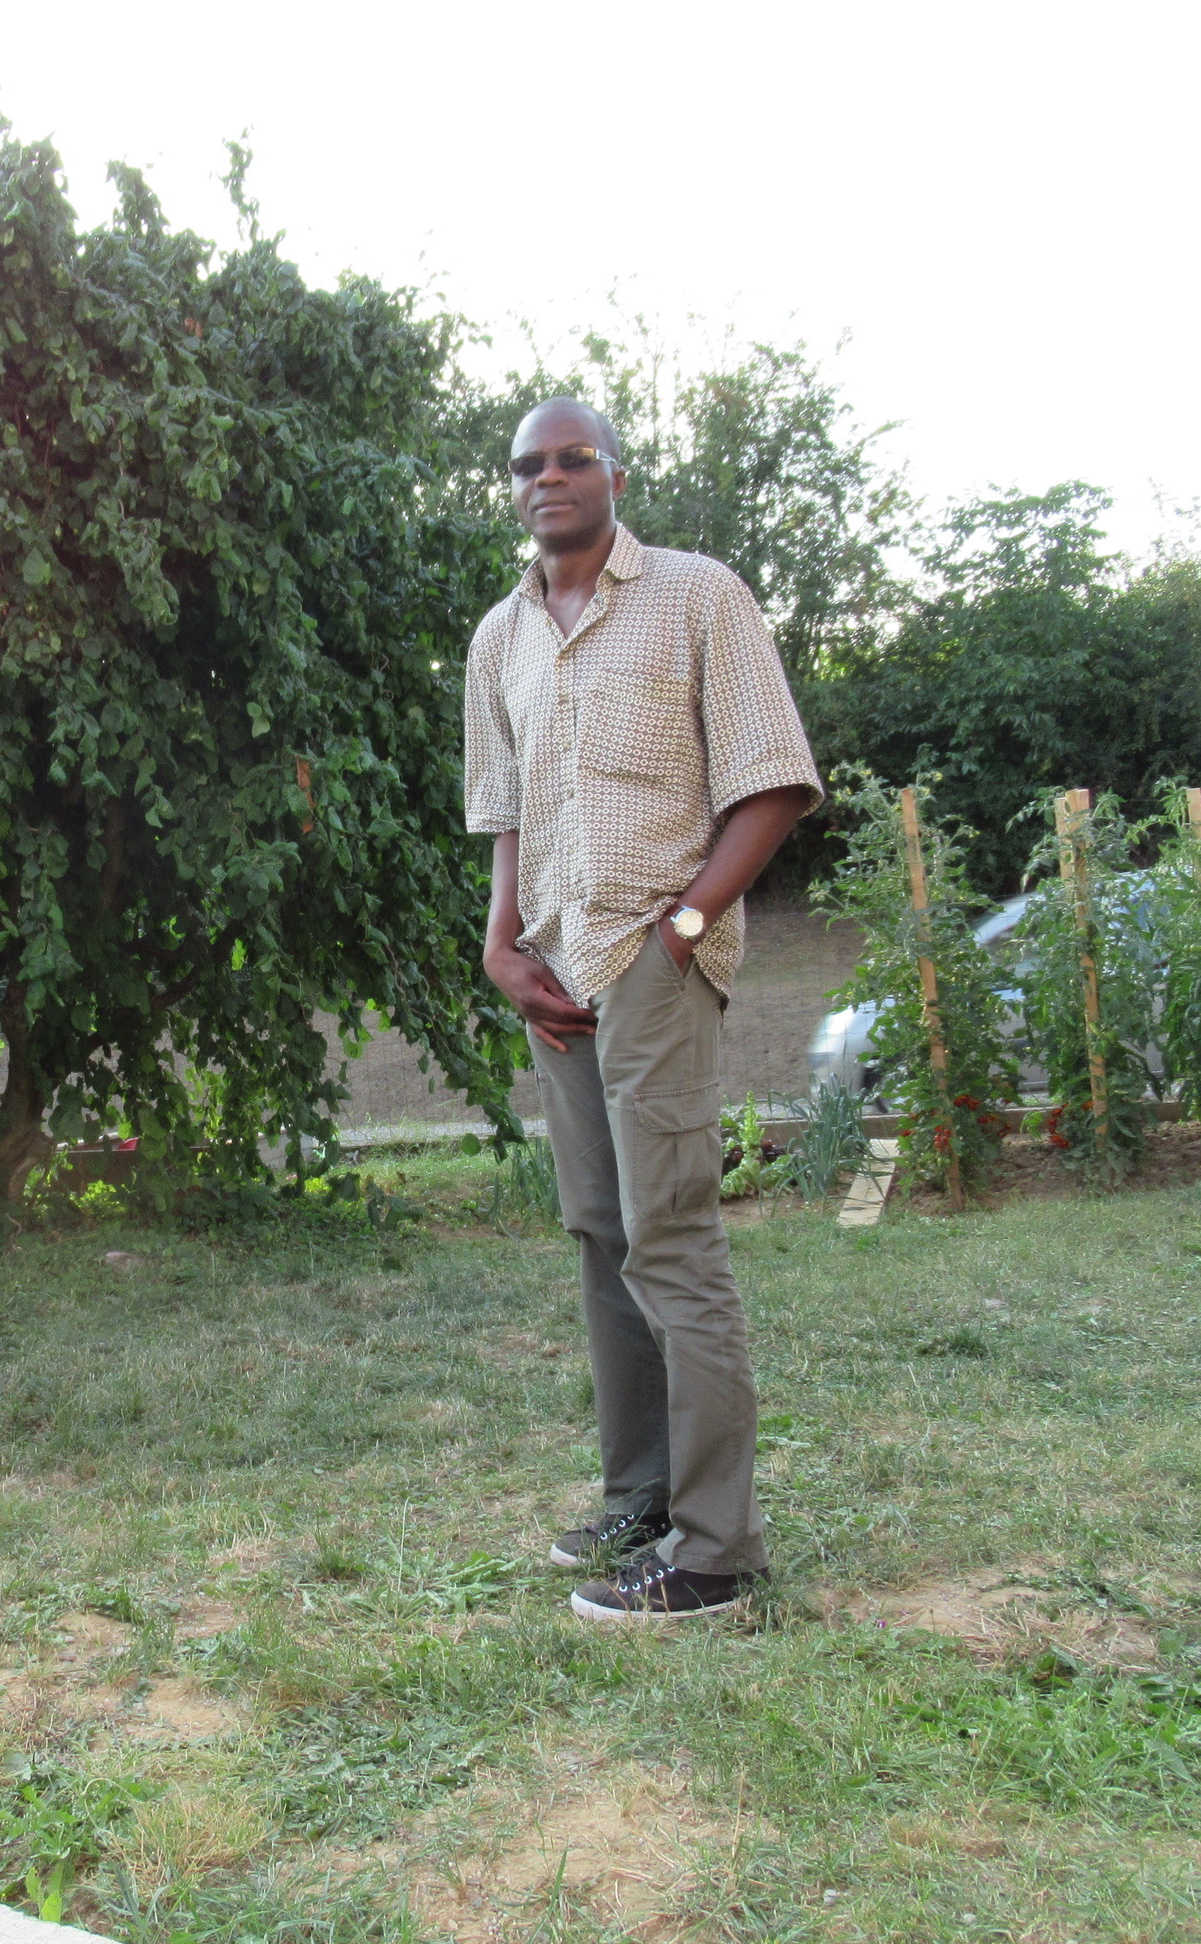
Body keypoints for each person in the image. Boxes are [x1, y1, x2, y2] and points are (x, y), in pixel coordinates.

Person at [463, 398, 823, 1622]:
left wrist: (686, 924)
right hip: (556, 971)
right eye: (528, 464)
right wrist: (501, 944)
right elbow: (506, 812)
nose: (549, 477)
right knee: (601, 1233)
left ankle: (716, 1551)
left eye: (573, 458)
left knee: (671, 1237)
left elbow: (773, 782)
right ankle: (641, 1501)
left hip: (654, 959)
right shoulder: (501, 636)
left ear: (614, 472)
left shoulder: (696, 596)